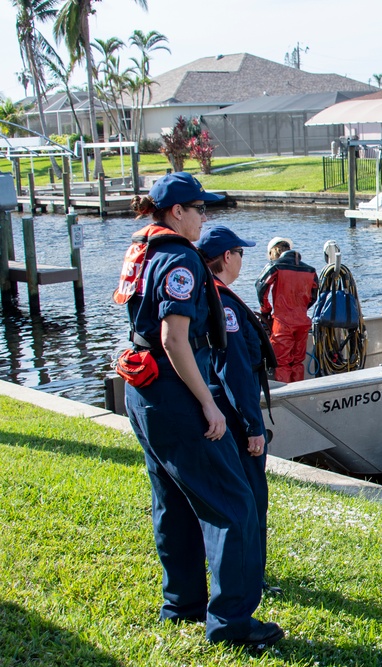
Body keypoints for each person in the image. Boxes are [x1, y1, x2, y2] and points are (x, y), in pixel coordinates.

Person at [114, 172, 282, 648]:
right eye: (199, 209)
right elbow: (174, 337)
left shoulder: (145, 250)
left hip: (142, 391)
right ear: (177, 213)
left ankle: (182, 603)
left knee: (173, 500)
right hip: (174, 391)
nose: (204, 216)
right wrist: (208, 403)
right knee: (234, 504)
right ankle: (232, 624)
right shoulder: (179, 258)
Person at [195, 225, 281, 598]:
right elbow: (234, 369)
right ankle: (251, 578)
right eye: (240, 254)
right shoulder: (224, 303)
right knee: (250, 498)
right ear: (227, 257)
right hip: (233, 414)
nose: (243, 260)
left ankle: (240, 572)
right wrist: (252, 426)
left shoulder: (209, 294)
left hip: (219, 409)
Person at [255, 237, 318, 383]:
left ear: (272, 252)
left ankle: (285, 393)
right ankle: (298, 392)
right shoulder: (310, 270)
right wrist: (302, 308)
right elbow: (314, 295)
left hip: (282, 323)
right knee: (297, 362)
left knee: (282, 362)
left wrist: (266, 309)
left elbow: (260, 286)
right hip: (302, 321)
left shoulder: (275, 266)